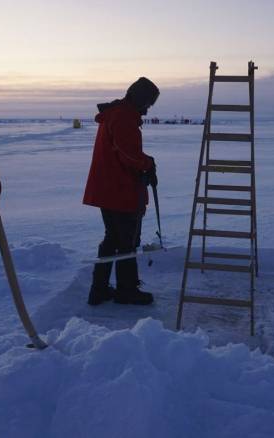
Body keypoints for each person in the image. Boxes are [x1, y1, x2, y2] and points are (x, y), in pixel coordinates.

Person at [83, 77, 160, 305]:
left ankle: (99, 289)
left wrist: (145, 163)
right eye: (147, 104)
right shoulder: (124, 117)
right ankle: (126, 290)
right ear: (139, 99)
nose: (147, 110)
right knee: (126, 242)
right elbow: (129, 155)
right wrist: (148, 164)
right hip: (119, 190)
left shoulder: (118, 114)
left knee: (113, 239)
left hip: (110, 188)